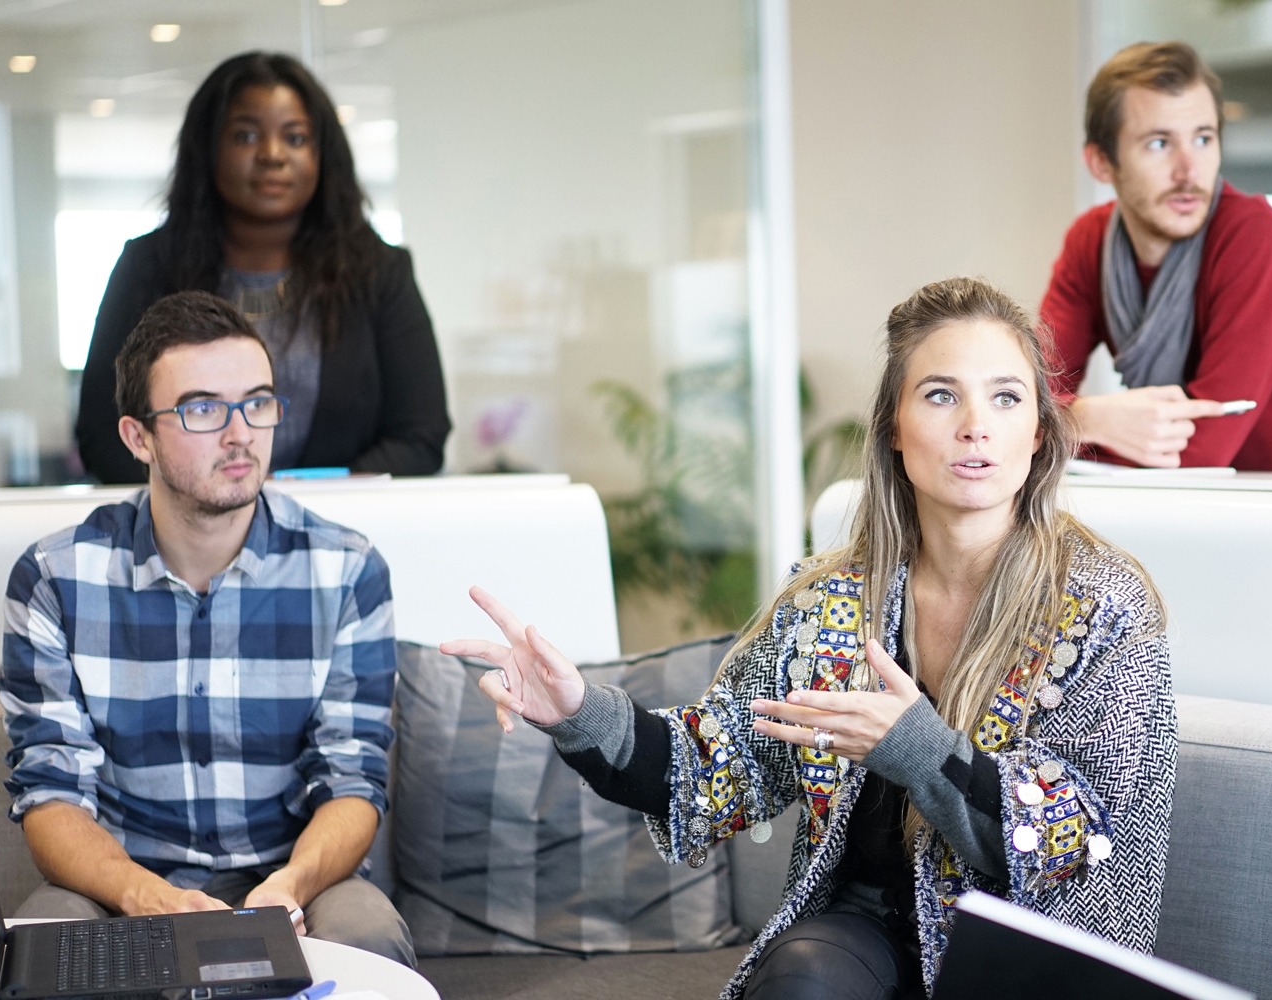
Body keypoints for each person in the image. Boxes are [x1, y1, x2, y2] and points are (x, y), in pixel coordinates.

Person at [446, 277, 1177, 999]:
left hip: (1026, 947)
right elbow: (717, 765)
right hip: (862, 937)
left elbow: (1078, 840)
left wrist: (920, 749)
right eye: (941, 394)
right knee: (803, 980)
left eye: (1006, 397)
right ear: (894, 425)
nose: (975, 424)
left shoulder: (1106, 606)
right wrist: (578, 712)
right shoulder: (831, 598)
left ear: (1039, 431)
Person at [1, 291, 412, 965]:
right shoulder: (56, 577)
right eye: (202, 409)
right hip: (123, 881)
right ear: (139, 437)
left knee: (368, 935)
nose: (240, 433)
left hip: (294, 877)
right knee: (40, 941)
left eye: (257, 402)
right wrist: (146, 896)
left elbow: (353, 780)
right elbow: (49, 794)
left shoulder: (347, 570)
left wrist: (289, 887)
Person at [76, 51, 449, 485]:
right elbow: (103, 438)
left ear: (323, 155)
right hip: (187, 540)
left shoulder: (380, 273)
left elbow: (421, 437)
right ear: (208, 148)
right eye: (246, 136)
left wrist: (302, 497)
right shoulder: (148, 268)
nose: (272, 155)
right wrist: (216, 495)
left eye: (295, 138)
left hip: (341, 532)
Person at [1039, 41, 1272, 472]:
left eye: (1203, 139)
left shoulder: (1251, 235)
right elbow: (1024, 398)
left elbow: (1201, 449)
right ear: (1101, 163)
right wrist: (1088, 418)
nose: (1189, 170)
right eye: (1158, 143)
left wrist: (1060, 426)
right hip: (1182, 510)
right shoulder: (1089, 242)